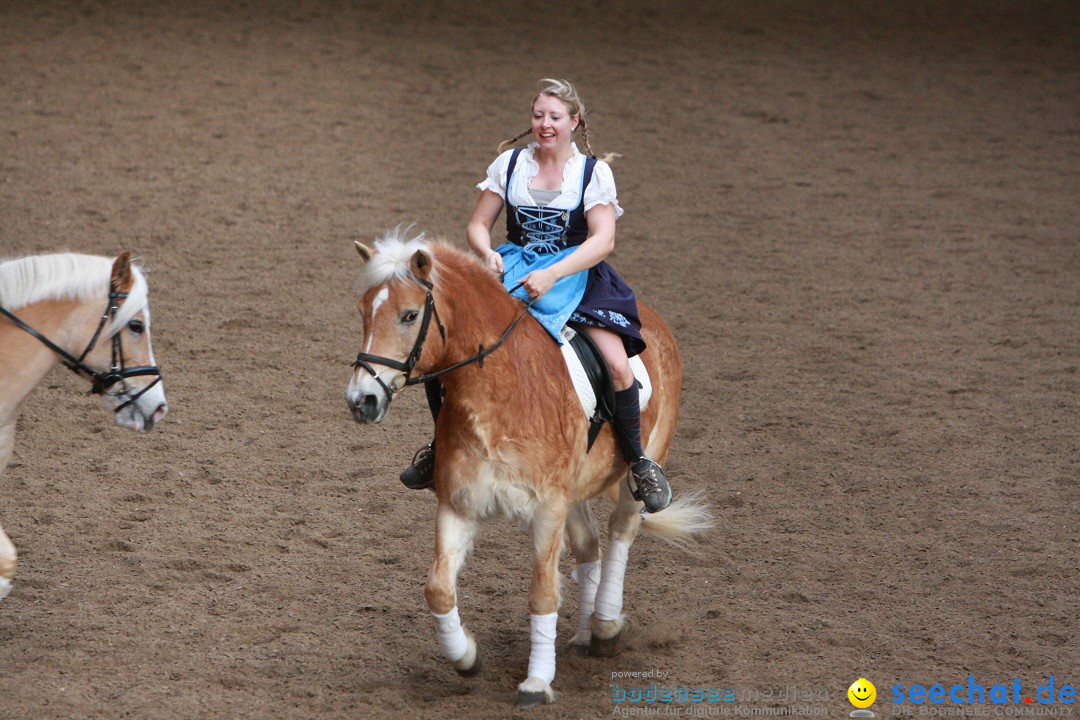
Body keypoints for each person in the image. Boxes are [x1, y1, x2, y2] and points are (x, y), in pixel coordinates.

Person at [400, 78, 671, 513]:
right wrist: (486, 253)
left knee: (619, 366)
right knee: (446, 350)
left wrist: (553, 274)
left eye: (555, 117)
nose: (545, 124)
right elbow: (477, 225)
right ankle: (439, 446)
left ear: (573, 122)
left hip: (575, 274)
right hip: (511, 269)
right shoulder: (509, 165)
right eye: (539, 116)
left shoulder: (593, 173)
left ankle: (639, 461)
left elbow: (603, 241)